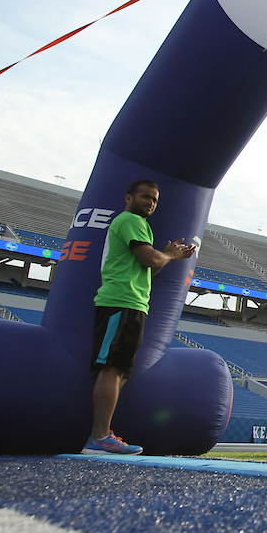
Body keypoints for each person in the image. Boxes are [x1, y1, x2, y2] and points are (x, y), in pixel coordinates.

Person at [84, 180, 196, 455]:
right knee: (112, 368)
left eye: (154, 199)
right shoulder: (131, 221)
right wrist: (169, 255)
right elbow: (151, 260)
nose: (151, 203)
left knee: (120, 370)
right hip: (120, 301)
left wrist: (166, 257)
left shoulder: (139, 225)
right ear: (128, 198)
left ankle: (103, 435)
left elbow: (148, 269)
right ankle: (99, 436)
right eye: (146, 197)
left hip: (133, 303)